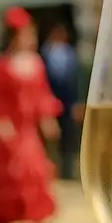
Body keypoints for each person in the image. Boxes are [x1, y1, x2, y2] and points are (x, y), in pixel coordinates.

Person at [0, 7, 60, 223]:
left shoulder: (36, 63)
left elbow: (41, 95)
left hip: (27, 127)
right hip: (10, 125)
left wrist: (48, 120)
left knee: (33, 167)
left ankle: (36, 214)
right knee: (8, 170)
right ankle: (3, 217)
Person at [41, 23, 79, 179]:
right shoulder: (44, 53)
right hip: (50, 101)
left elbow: (76, 80)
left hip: (68, 103)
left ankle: (67, 171)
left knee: (68, 137)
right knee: (49, 138)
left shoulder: (71, 55)